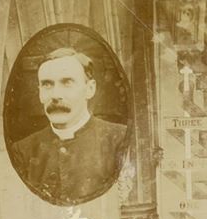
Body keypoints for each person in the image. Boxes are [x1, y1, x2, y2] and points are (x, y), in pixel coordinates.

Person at [11, 47, 128, 205]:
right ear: (39, 93)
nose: (55, 95)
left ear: (90, 89)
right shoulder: (22, 152)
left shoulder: (120, 140)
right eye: (47, 85)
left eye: (67, 83)